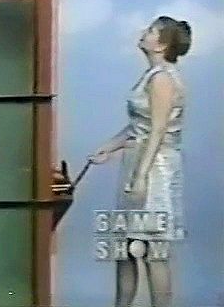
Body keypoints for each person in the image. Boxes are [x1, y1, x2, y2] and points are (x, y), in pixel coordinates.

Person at [88, 16, 192, 307]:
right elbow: (139, 126)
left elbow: (158, 130)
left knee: (152, 249)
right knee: (124, 248)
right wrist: (108, 147)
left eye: (151, 31)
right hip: (139, 162)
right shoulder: (152, 75)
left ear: (162, 45)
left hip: (155, 168)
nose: (144, 33)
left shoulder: (162, 79)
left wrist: (142, 176)